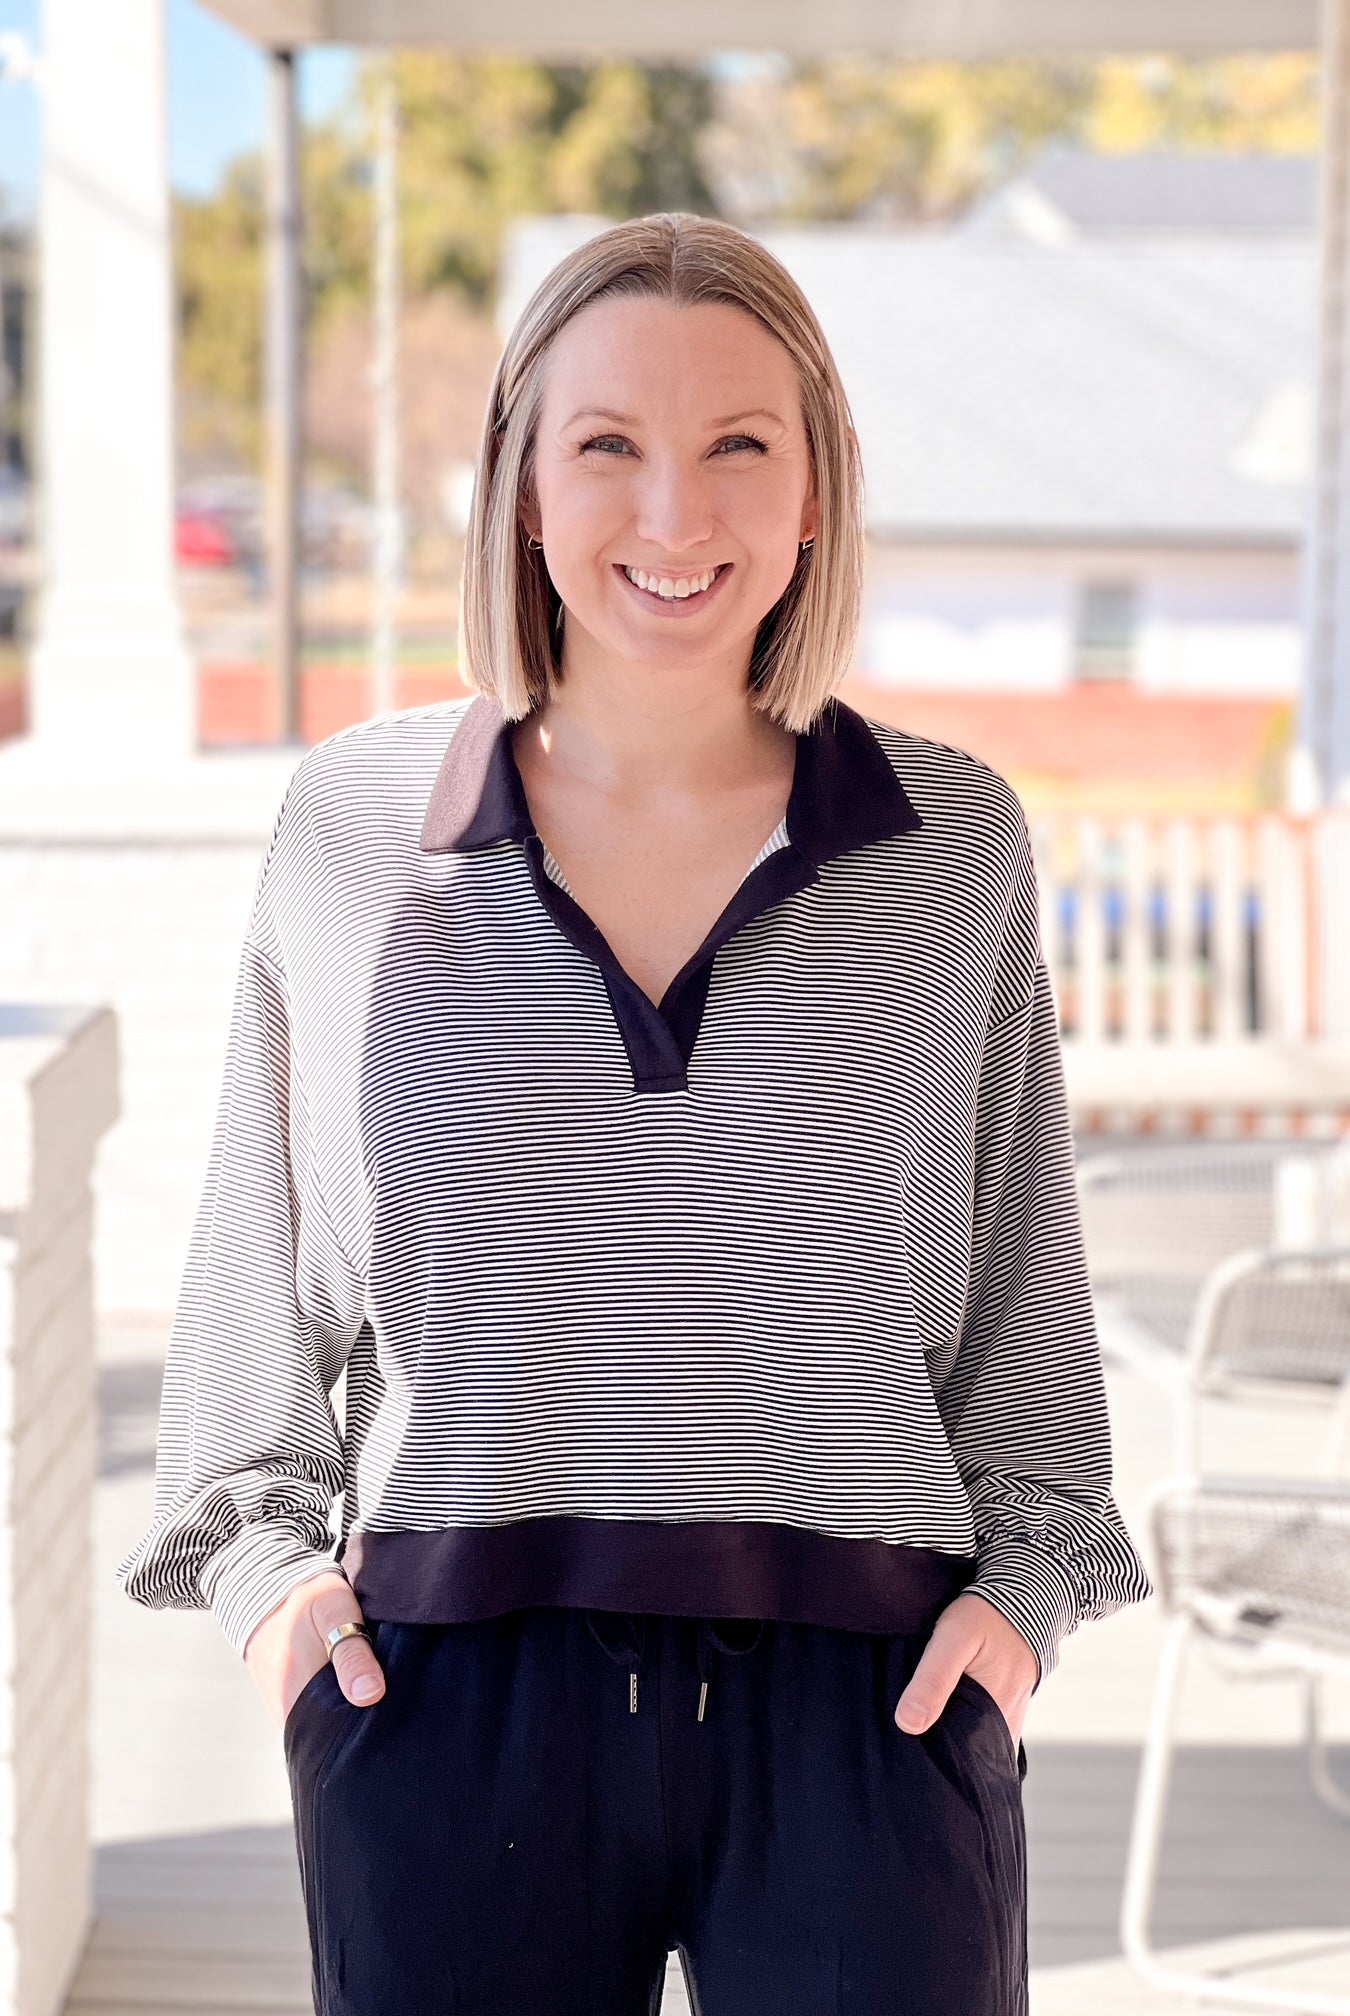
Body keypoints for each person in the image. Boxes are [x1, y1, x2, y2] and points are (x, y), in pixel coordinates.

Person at [117, 211, 1152, 2016]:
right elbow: (254, 1268)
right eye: (606, 445)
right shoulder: (356, 827)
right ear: (521, 483)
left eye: (737, 445)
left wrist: (1020, 1614)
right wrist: (279, 1594)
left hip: (872, 1693)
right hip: (445, 1698)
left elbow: (1018, 1289)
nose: (673, 517)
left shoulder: (952, 844)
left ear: (816, 486)